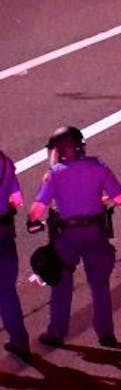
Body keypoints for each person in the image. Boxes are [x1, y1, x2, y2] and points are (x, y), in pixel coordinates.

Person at [28, 126, 121, 348]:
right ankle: (106, 334)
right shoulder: (98, 166)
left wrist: (31, 221)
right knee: (99, 284)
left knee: (61, 283)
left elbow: (37, 210)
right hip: (95, 233)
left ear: (58, 150)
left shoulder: (55, 174)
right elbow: (119, 198)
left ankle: (57, 332)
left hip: (67, 237)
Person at [0, 144, 30, 360]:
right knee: (6, 292)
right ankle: (20, 341)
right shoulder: (5, 163)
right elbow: (17, 199)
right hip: (4, 234)